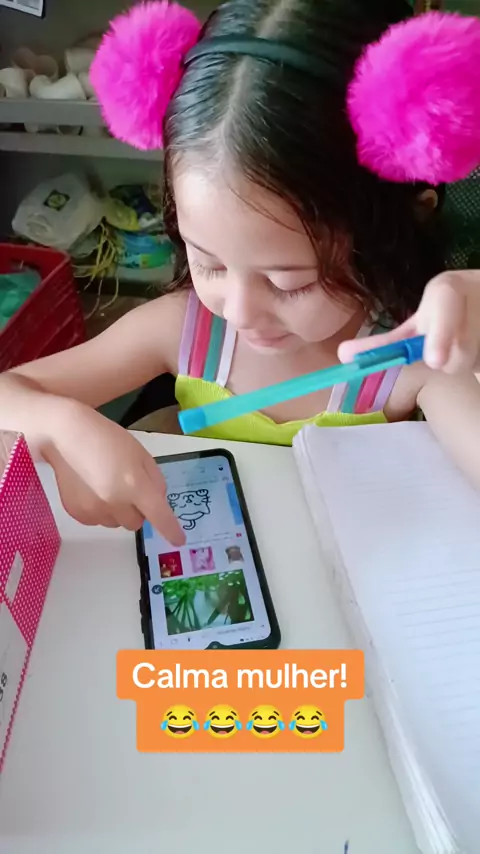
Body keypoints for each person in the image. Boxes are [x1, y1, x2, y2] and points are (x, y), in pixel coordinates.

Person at [1, 0, 480, 545]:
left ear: (394, 232)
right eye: (208, 262)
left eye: (288, 282)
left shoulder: (413, 360)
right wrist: (57, 422)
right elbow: (10, 393)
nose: (241, 311)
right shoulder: (183, 329)